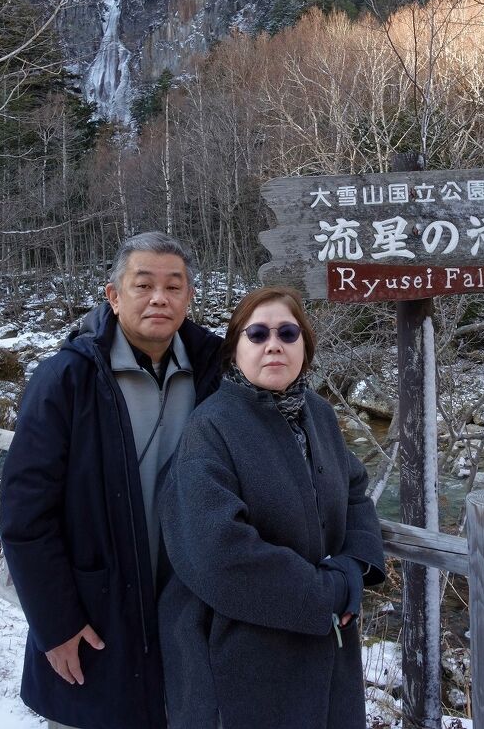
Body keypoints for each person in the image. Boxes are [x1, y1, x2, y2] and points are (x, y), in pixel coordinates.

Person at [0, 231, 223, 729]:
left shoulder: (217, 373)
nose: (159, 298)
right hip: (94, 617)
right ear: (113, 295)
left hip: (189, 618)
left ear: (189, 296)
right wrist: (55, 625)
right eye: (143, 285)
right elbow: (24, 515)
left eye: (174, 285)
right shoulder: (67, 379)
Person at [159, 285, 386, 729]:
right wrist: (325, 592)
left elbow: (355, 487)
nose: (274, 345)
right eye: (257, 334)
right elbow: (216, 551)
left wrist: (356, 566)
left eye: (288, 333)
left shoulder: (317, 414)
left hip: (325, 644)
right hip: (241, 652)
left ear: (305, 344)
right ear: (235, 349)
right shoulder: (210, 427)